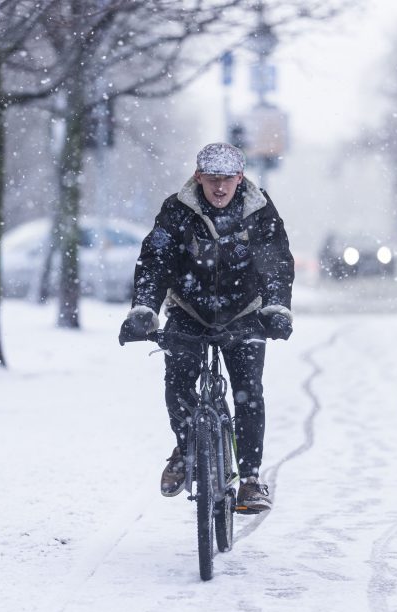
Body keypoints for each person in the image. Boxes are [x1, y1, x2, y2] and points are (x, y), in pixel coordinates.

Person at [118, 142, 294, 513]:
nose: (219, 188)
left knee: (248, 391)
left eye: (226, 180)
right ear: (198, 177)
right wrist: (145, 309)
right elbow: (155, 261)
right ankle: (185, 449)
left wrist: (276, 308)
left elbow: (275, 262)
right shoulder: (178, 210)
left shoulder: (259, 210)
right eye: (212, 179)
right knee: (179, 380)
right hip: (189, 310)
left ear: (239, 178)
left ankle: (249, 479)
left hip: (244, 311)